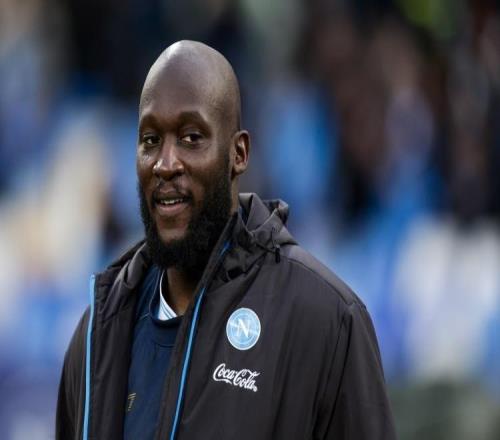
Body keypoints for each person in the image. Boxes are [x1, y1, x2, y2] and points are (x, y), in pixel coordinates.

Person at [56, 40, 397, 440]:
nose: (165, 163)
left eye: (191, 137)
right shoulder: (99, 332)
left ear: (239, 153)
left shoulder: (326, 320)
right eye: (150, 140)